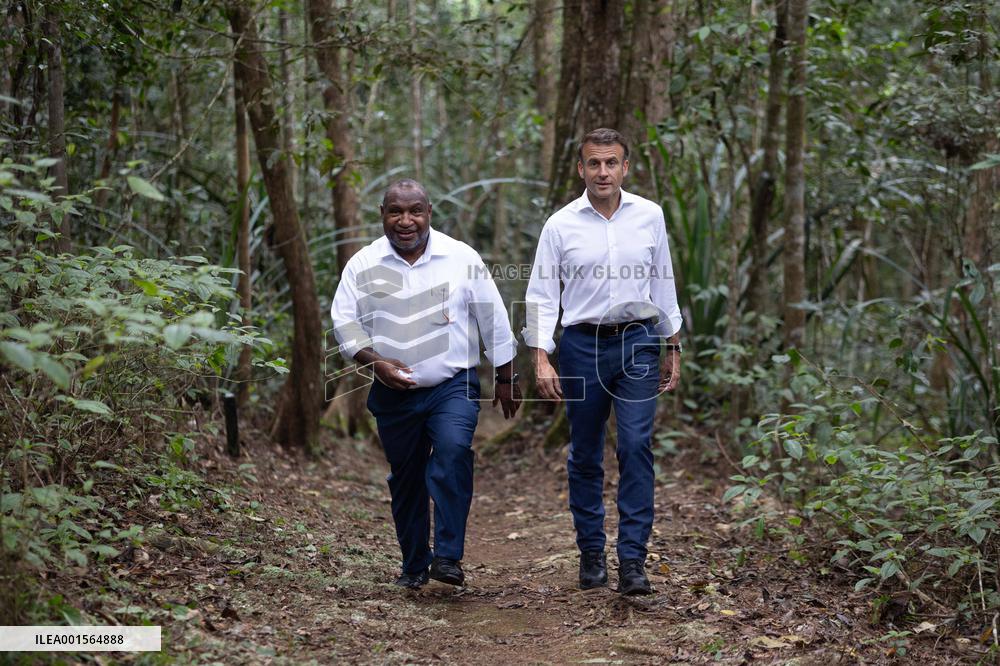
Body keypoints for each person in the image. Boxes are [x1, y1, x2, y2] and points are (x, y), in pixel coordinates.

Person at [331, 179, 522, 589]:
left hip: (452, 383)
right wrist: (376, 362)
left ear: (429, 213)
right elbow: (345, 323)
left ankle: (449, 558)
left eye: (415, 210)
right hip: (393, 391)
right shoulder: (363, 265)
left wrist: (506, 376)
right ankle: (415, 565)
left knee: (453, 453)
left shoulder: (461, 257)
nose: (406, 220)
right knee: (407, 477)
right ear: (382, 214)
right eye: (396, 212)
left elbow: (493, 318)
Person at [524, 128, 683, 595]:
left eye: (611, 163)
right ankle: (591, 552)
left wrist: (671, 345)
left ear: (626, 167)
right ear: (581, 169)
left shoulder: (649, 216)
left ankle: (633, 560)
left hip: (636, 342)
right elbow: (541, 293)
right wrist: (541, 358)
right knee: (585, 452)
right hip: (580, 346)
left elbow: (663, 282)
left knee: (635, 447)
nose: (603, 172)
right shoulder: (560, 225)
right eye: (594, 163)